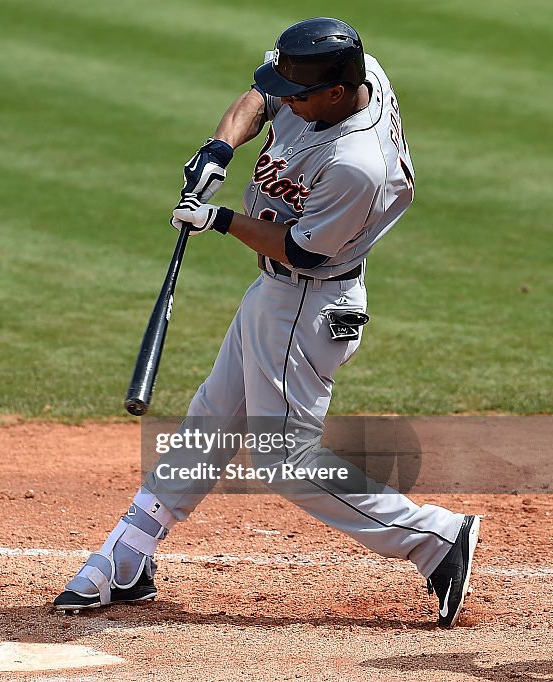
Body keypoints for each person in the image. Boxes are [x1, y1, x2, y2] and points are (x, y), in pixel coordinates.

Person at [54, 17, 480, 627]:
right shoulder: (340, 75)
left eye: (298, 92)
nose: (287, 98)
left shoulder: (358, 163)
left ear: (335, 93)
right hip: (276, 297)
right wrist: (219, 148)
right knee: (212, 417)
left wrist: (219, 218)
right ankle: (131, 551)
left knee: (283, 458)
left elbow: (304, 250)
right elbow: (261, 96)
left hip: (309, 302)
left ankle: (433, 537)